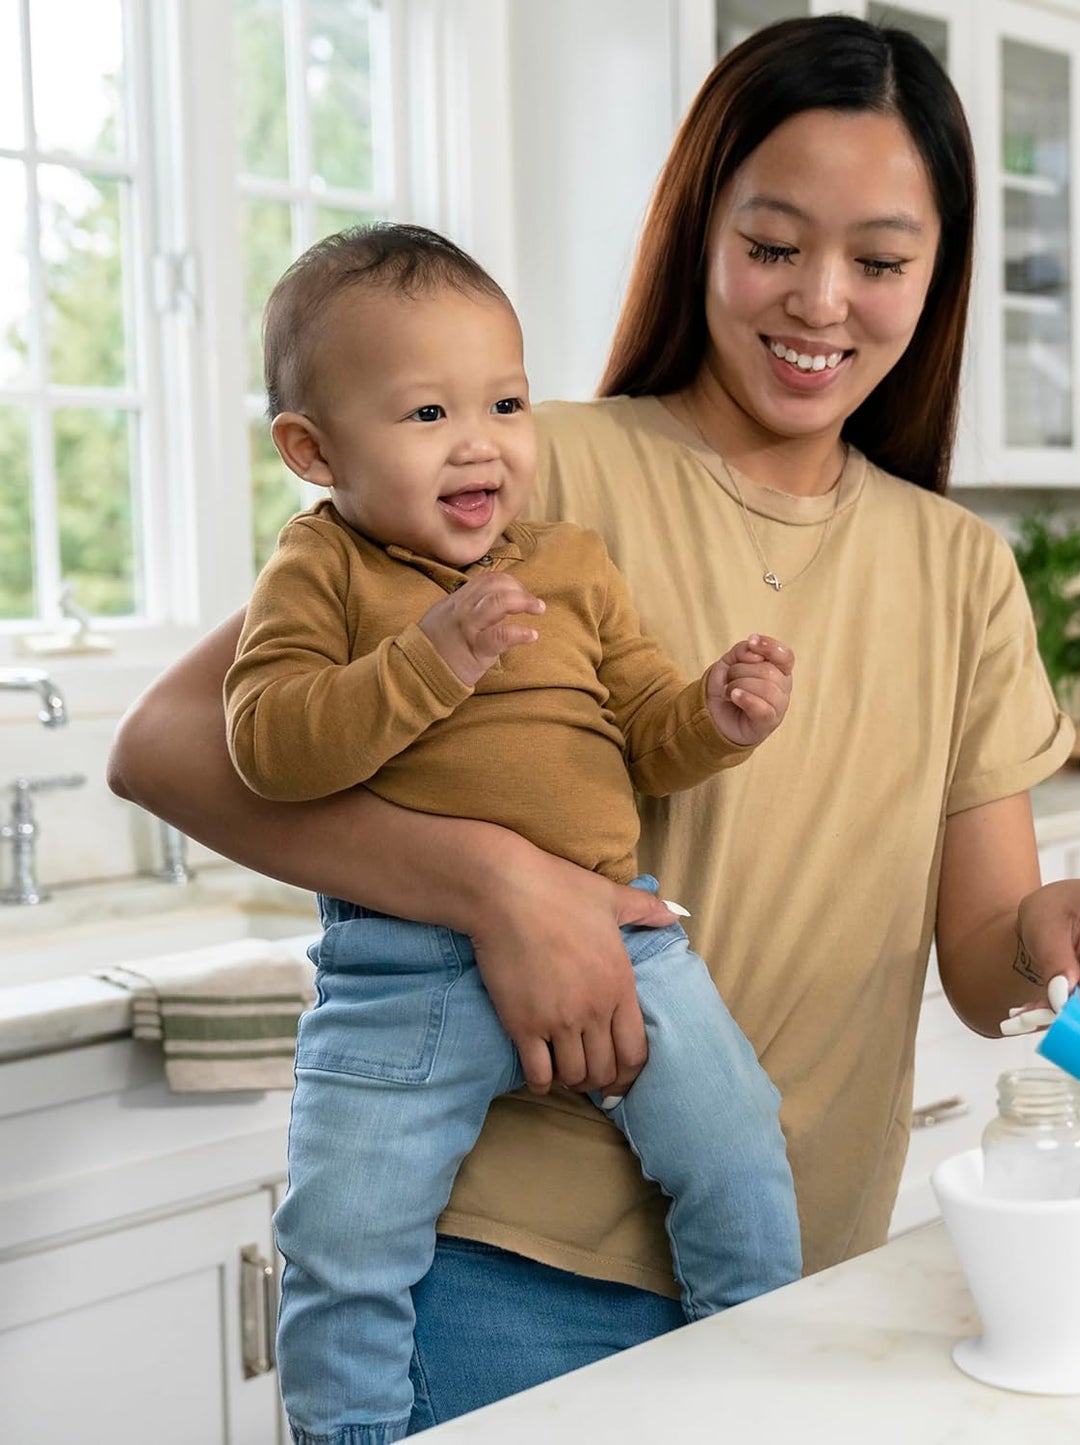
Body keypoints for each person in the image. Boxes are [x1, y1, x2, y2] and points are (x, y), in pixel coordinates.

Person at [108, 14, 1080, 1435]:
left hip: (793, 1273)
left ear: (937, 277)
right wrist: (504, 889)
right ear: (697, 231)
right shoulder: (522, 461)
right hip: (514, 1274)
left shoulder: (961, 568)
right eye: (773, 243)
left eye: (879, 260)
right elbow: (169, 744)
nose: (820, 302)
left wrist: (1064, 928)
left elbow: (987, 978)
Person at [227, 222, 802, 1445]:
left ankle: (757, 1370)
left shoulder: (571, 563)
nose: (479, 439)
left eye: (502, 399)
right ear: (311, 449)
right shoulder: (318, 568)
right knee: (339, 1237)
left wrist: (715, 712)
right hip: (398, 973)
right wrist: (431, 660)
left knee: (739, 1141)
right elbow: (268, 743)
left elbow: (645, 732)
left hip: (621, 940)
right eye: (426, 414)